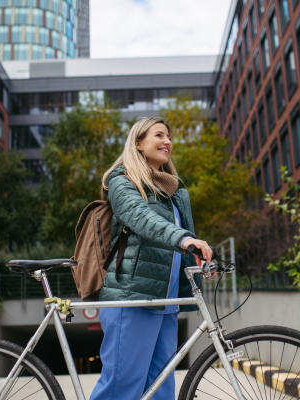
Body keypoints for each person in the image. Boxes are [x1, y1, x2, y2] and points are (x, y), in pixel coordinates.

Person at [89, 117, 214, 400]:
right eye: (159, 135)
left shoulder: (173, 195)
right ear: (138, 143)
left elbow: (176, 244)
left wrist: (199, 258)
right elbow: (145, 221)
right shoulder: (122, 183)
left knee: (159, 390)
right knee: (121, 388)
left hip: (166, 303)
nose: (167, 141)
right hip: (132, 298)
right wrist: (186, 240)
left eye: (169, 136)